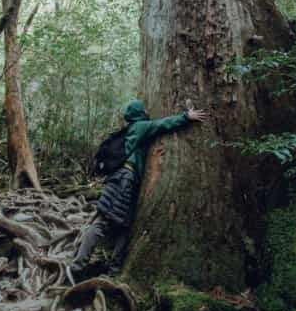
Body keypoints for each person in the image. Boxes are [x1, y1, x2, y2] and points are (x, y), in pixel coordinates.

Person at [66, 99, 208, 284]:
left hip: (122, 180)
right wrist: (185, 117)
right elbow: (162, 124)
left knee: (124, 226)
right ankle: (77, 268)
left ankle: (113, 271)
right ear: (139, 112)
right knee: (104, 223)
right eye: (144, 109)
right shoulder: (139, 126)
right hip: (124, 180)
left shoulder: (129, 129)